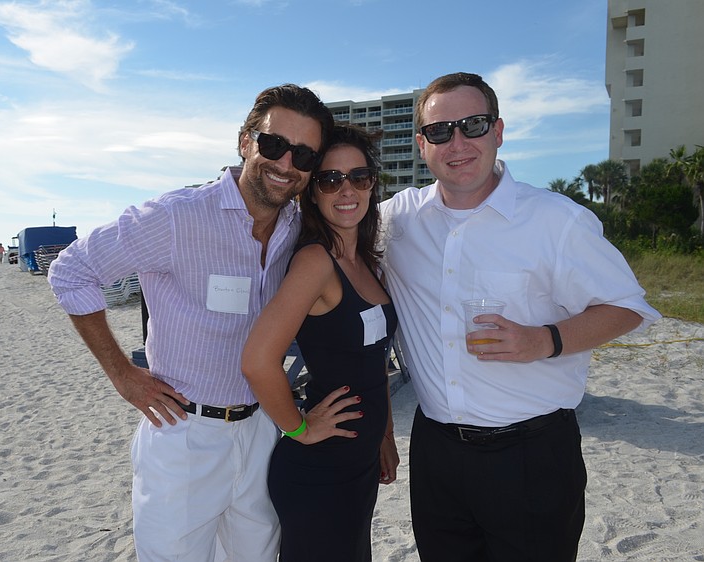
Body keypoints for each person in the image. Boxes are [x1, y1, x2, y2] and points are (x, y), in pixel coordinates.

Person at [378, 72, 661, 562]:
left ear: (499, 131)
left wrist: (544, 339)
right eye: (441, 131)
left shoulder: (556, 220)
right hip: (436, 451)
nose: (458, 142)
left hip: (532, 454)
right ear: (422, 145)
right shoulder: (396, 220)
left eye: (474, 125)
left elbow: (627, 306)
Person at [47, 83, 334, 562]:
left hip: (262, 429)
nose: (286, 164)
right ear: (245, 142)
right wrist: (122, 374)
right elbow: (72, 270)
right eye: (273, 145)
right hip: (184, 433)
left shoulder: (294, 227)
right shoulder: (177, 217)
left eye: (304, 155)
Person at [241, 124, 399, 562]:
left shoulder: (366, 260)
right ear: (312, 192)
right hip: (320, 469)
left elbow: (374, 360)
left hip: (360, 462)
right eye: (330, 179)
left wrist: (384, 433)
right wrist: (298, 427)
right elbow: (257, 360)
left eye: (359, 177)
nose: (346, 189)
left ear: (371, 185)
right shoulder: (315, 261)